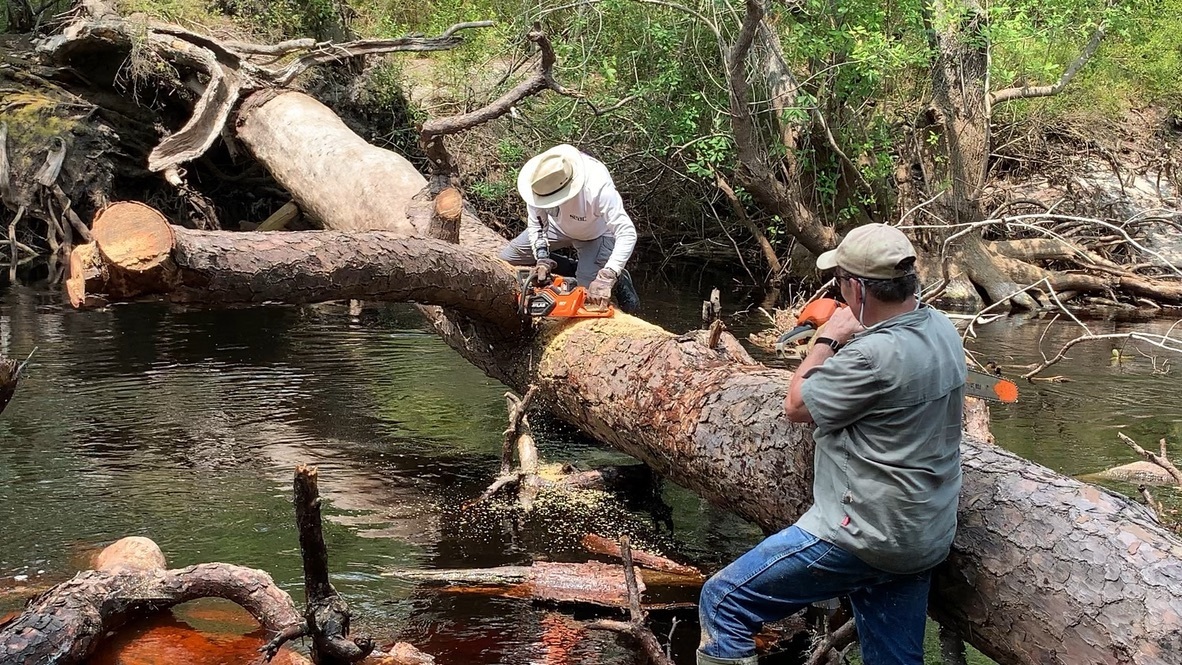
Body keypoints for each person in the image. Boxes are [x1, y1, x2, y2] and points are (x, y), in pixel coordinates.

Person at [696, 223, 966, 665]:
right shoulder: (941, 329)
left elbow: (797, 405)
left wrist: (827, 338)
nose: (837, 291)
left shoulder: (869, 356)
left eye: (840, 281)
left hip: (862, 535)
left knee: (724, 601)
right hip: (922, 535)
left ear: (857, 289)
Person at [499, 144, 640, 312]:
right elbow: (537, 224)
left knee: (586, 297)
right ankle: (572, 268)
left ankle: (617, 276)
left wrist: (608, 275)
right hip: (556, 226)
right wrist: (542, 257)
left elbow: (627, 233)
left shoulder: (597, 188)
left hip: (596, 234)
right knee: (507, 260)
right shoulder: (539, 181)